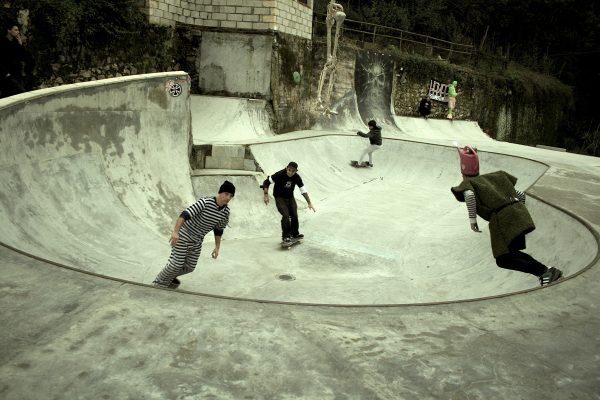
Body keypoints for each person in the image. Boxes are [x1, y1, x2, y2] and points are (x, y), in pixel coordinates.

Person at [450, 144, 563, 286]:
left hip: (502, 220)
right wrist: (516, 211)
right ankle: (548, 271)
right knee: (511, 254)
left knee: (503, 259)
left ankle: (544, 272)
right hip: (518, 213)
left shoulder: (468, 184)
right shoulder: (493, 178)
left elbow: (469, 195)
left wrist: (473, 221)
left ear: (462, 172)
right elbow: (521, 195)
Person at [152, 180, 236, 289]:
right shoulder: (205, 202)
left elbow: (219, 230)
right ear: (220, 192)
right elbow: (184, 214)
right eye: (226, 194)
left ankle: (169, 277)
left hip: (197, 240)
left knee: (190, 267)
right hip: (184, 234)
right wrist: (175, 232)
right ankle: (157, 284)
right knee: (176, 263)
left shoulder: (225, 212)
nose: (228, 198)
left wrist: (217, 247)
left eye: (231, 196)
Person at [262, 162, 315, 242]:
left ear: (296, 171)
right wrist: (266, 195)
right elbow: (266, 182)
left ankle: (294, 233)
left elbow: (303, 190)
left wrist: (309, 202)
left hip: (290, 197)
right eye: (289, 170)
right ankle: (285, 236)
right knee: (286, 215)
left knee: (294, 215)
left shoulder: (296, 177)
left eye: (293, 171)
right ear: (286, 168)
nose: (290, 172)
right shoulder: (279, 174)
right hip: (279, 197)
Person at [0, 22, 33, 98]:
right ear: (9, 30)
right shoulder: (2, 42)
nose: (18, 32)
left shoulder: (16, 43)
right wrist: (6, 73)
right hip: (6, 75)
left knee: (20, 94)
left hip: (16, 74)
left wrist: (20, 44)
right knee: (9, 95)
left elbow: (24, 57)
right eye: (15, 30)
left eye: (18, 30)